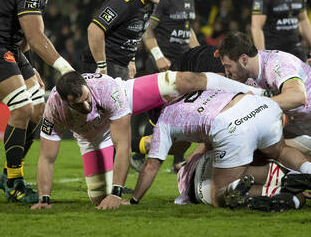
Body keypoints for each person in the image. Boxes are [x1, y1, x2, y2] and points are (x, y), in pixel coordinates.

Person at [30, 70, 265, 210]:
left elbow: (122, 146)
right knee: (98, 200)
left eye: (85, 99)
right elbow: (47, 158)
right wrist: (44, 199)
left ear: (87, 87)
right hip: (90, 138)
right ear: (64, 101)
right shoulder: (53, 110)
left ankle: (253, 91)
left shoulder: (105, 88)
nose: (85, 106)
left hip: (124, 99)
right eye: (77, 104)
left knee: (182, 80)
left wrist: (117, 193)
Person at [0, 0, 76, 203]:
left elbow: (26, 36)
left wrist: (31, 68)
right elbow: (37, 36)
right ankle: (15, 183)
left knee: (38, 109)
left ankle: (8, 173)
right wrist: (65, 68)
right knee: (22, 109)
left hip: (13, 49)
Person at [129, 89, 311, 208]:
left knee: (220, 195)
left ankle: (284, 194)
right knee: (279, 152)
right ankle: (302, 174)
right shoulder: (196, 88)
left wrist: (133, 200)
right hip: (259, 105)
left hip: (223, 138)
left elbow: (151, 166)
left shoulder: (165, 120)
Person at [218, 31, 311, 154]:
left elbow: (298, 97)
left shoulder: (276, 65)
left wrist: (257, 106)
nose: (227, 72)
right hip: (299, 125)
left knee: (262, 150)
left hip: (304, 124)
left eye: (228, 66)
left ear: (244, 59)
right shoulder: (249, 73)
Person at [81, 0, 167, 79]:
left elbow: (134, 29)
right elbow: (94, 29)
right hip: (104, 61)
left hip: (120, 63)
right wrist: (102, 67)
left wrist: (131, 60)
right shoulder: (124, 1)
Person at [175, 144, 309, 211]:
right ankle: (289, 189)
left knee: (262, 165)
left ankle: (287, 182)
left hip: (201, 188)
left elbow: (205, 144)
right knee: (298, 197)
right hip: (212, 174)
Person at [143, 0, 199, 73]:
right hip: (162, 64)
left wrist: (200, 54)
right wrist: (158, 57)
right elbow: (146, 27)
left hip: (182, 64)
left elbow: (187, 29)